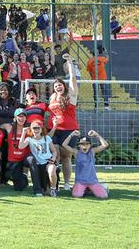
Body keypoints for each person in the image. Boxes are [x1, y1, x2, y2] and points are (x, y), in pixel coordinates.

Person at [48, 53, 79, 191]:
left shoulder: (71, 95)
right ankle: (54, 182)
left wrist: (70, 63)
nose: (58, 88)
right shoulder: (53, 97)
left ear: (64, 86)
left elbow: (72, 79)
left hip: (69, 130)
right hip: (53, 130)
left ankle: (67, 183)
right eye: (55, 86)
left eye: (60, 85)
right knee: (56, 155)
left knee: (66, 157)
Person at [4, 108, 43, 196]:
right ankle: (24, 178)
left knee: (32, 159)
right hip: (14, 160)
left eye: (23, 116)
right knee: (19, 187)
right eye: (19, 116)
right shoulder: (8, 127)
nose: (21, 118)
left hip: (25, 157)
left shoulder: (30, 129)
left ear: (26, 118)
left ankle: (37, 190)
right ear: (15, 117)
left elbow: (43, 136)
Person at [62, 130, 109, 199]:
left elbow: (105, 145)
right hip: (80, 181)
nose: (85, 146)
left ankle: (100, 187)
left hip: (92, 181)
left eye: (87, 144)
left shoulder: (92, 151)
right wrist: (71, 135)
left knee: (103, 196)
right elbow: (64, 145)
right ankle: (83, 188)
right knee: (77, 195)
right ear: (79, 145)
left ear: (90, 145)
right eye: (82, 144)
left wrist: (96, 135)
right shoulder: (76, 152)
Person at [18, 120, 59, 197]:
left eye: (38, 128)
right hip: (38, 164)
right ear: (31, 129)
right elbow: (21, 146)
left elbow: (54, 151)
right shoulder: (29, 139)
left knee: (51, 171)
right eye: (34, 128)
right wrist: (23, 133)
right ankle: (46, 188)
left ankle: (53, 190)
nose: (36, 130)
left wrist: (53, 158)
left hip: (48, 161)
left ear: (41, 129)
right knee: (44, 189)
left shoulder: (47, 138)